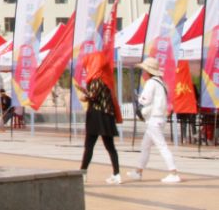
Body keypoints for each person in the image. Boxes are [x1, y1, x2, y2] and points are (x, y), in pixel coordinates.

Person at [127, 57, 180, 183]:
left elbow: (145, 100)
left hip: (154, 120)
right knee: (145, 145)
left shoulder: (151, 83)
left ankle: (173, 172)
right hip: (159, 118)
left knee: (161, 146)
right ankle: (138, 171)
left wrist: (139, 98)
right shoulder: (162, 83)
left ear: (147, 71)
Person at [76, 52, 122, 184]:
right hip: (107, 116)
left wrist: (84, 96)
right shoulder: (106, 78)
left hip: (96, 116)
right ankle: (116, 173)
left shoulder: (97, 78)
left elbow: (93, 96)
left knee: (89, 146)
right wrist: (86, 92)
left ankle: (83, 172)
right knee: (110, 146)